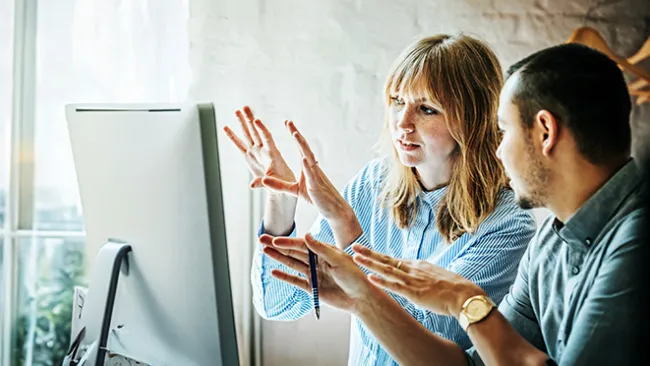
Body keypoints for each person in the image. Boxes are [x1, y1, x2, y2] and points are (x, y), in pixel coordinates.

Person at [265, 42, 647, 365]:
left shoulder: (636, 245)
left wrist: (466, 302)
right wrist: (363, 301)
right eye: (397, 102)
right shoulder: (551, 242)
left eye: (504, 130)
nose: (498, 150)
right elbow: (472, 363)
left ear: (545, 132)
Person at [223, 34, 536, 365]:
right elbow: (278, 302)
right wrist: (280, 203)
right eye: (397, 101)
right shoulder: (373, 183)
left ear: (473, 120)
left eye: (427, 109)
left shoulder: (508, 224)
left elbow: (424, 342)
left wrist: (346, 227)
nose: (403, 123)